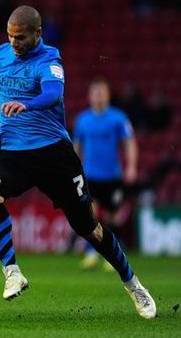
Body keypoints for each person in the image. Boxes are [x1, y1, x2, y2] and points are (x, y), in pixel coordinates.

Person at [0, 6, 156, 319]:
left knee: (90, 229)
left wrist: (27, 105)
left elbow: (53, 94)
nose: (14, 42)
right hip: (15, 152)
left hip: (54, 154)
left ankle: (132, 284)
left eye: (21, 37)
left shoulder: (49, 60)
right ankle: (12, 271)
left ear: (38, 34)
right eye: (10, 36)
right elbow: (0, 86)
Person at [73, 79, 138, 271]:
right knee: (90, 215)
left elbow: (130, 143)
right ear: (89, 96)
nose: (98, 96)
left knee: (113, 217)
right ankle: (92, 253)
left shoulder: (119, 118)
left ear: (108, 95)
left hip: (112, 175)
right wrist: (74, 171)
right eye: (95, 92)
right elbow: (76, 147)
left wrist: (131, 166)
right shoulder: (82, 120)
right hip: (90, 175)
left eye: (102, 92)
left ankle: (113, 254)